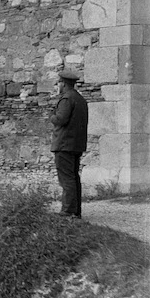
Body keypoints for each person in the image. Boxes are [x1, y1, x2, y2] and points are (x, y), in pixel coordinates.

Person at [50, 69, 88, 218]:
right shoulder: (80, 99)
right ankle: (76, 211)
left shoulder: (67, 99)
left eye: (59, 83)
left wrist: (51, 114)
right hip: (76, 144)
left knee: (66, 179)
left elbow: (60, 120)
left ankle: (68, 211)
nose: (58, 85)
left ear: (63, 84)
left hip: (64, 145)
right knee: (73, 177)